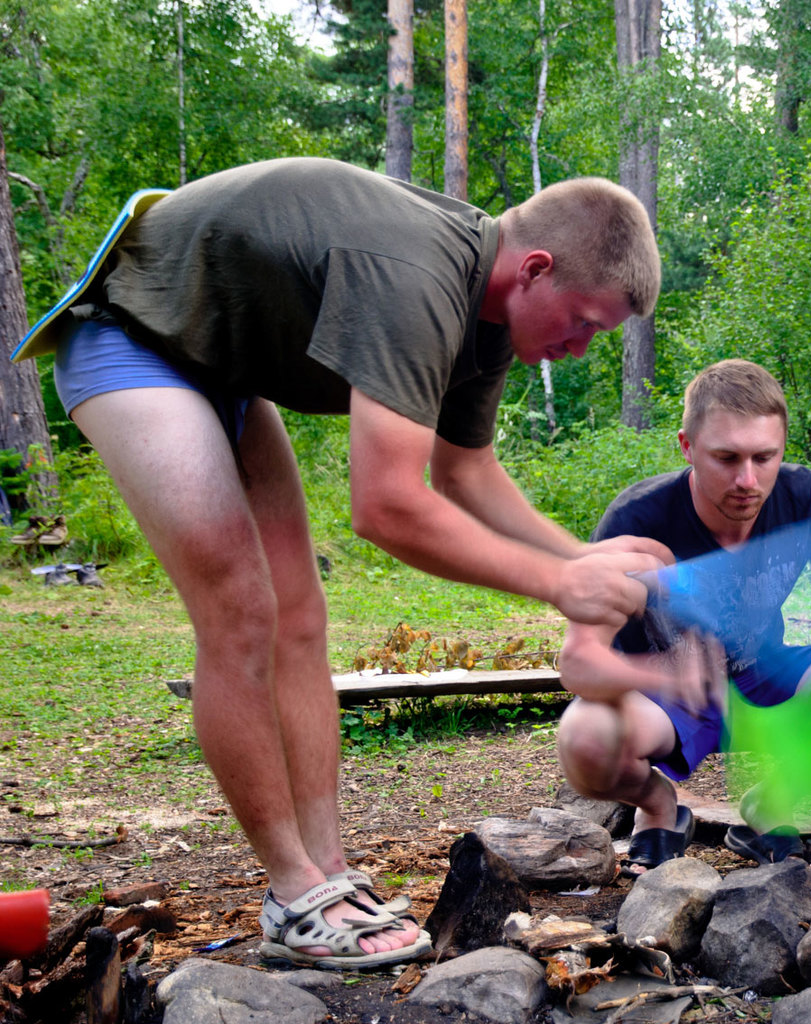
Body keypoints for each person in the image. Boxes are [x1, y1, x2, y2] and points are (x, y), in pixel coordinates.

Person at [18, 157, 671, 968]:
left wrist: (583, 554)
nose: (578, 350)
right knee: (241, 609)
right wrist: (561, 585)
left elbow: (466, 473)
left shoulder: (493, 316)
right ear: (536, 269)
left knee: (301, 615)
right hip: (133, 342)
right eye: (583, 324)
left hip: (226, 372)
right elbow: (386, 505)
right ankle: (292, 891)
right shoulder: (419, 274)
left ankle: (327, 872)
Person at [555, 359, 811, 871]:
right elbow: (577, 663)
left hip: (777, 680)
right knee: (585, 737)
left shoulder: (807, 497)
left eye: (764, 457)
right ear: (687, 446)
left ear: (782, 448)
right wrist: (661, 671)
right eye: (726, 458)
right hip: (669, 703)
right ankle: (659, 807)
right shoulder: (638, 518)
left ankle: (770, 805)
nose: (748, 479)